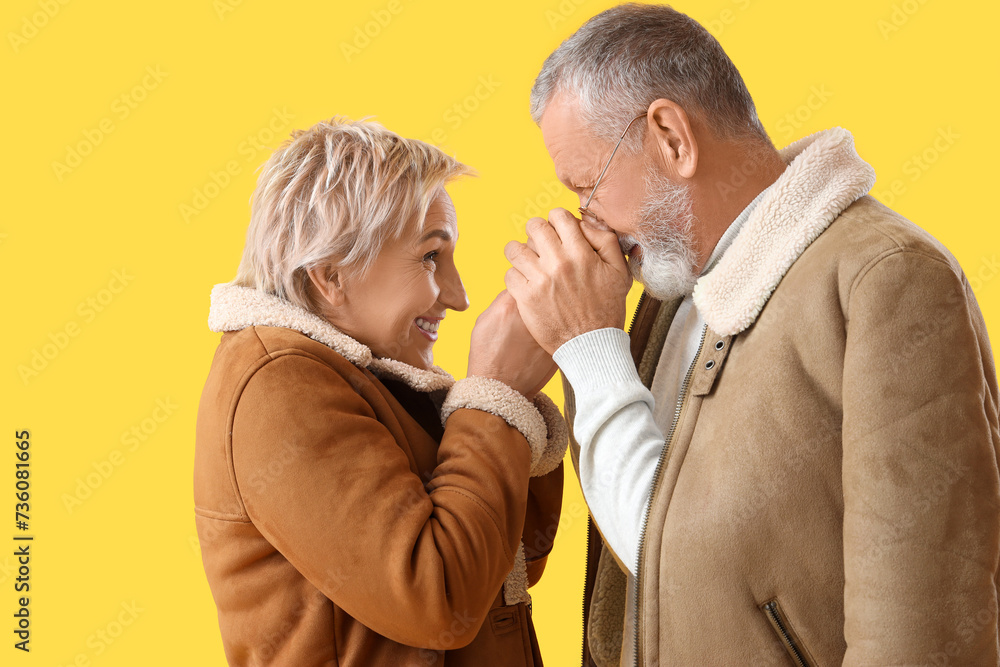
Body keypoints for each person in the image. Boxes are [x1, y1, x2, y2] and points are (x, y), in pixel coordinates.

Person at [502, 4, 1000, 666]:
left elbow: (924, 634)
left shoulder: (887, 279)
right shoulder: (664, 295)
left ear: (672, 138)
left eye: (588, 187)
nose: (587, 220)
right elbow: (649, 585)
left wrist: (592, 354)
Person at [193, 117, 567, 666]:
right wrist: (493, 395)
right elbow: (441, 600)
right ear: (331, 275)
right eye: (430, 257)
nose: (459, 296)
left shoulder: (373, 380)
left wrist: (504, 404)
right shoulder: (278, 383)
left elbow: (507, 562)